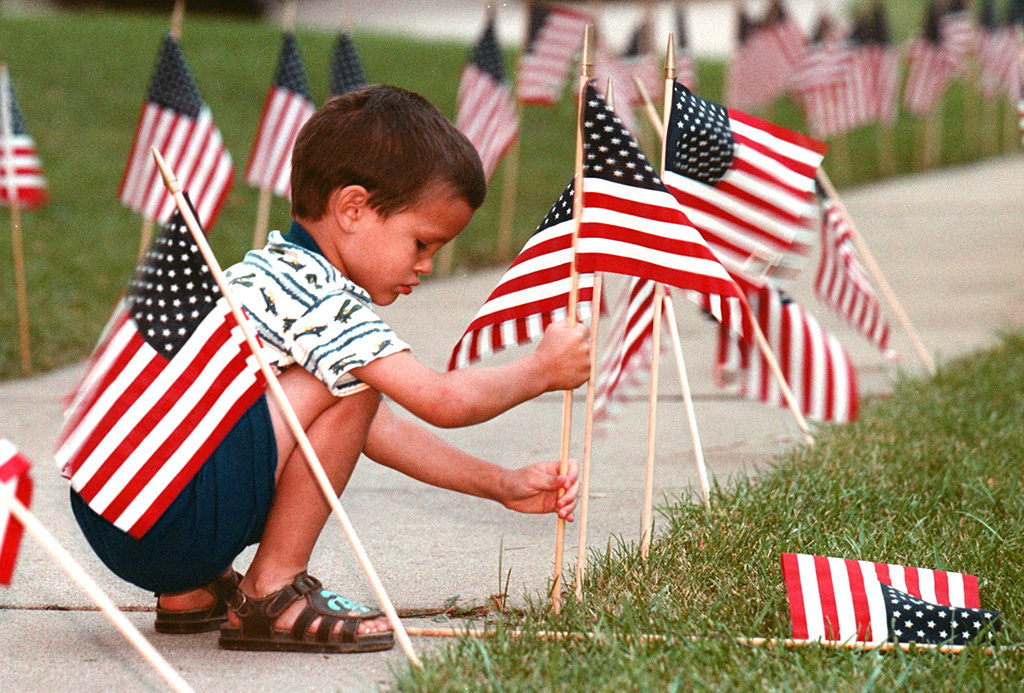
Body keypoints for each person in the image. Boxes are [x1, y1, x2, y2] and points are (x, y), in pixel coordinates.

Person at [71, 85, 590, 654]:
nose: (426, 265)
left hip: (114, 512)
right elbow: (442, 401)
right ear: (352, 209)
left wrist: (500, 484)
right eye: (421, 242)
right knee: (350, 385)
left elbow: (370, 431)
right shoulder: (324, 306)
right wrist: (540, 370)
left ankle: (189, 593)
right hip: (177, 524)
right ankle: (272, 591)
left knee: (334, 392)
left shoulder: (262, 273)